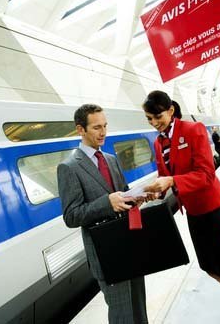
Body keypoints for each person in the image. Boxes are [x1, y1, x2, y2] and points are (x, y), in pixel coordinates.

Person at [141, 91, 220, 324]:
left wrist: (173, 181)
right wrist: (154, 190)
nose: (154, 123)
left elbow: (206, 174)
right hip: (194, 213)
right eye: (149, 119)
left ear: (171, 110)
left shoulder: (193, 130)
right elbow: (165, 175)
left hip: (215, 209)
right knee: (210, 267)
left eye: (157, 116)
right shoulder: (158, 141)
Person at [57, 104, 148, 324]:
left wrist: (137, 196)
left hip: (129, 243)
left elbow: (122, 193)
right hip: (105, 253)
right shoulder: (69, 167)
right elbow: (71, 216)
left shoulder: (110, 159)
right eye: (97, 127)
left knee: (139, 310)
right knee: (122, 315)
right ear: (81, 130)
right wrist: (107, 203)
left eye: (105, 126)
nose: (103, 132)